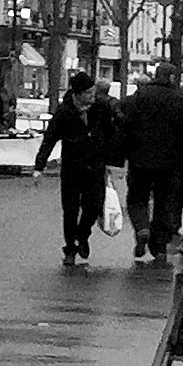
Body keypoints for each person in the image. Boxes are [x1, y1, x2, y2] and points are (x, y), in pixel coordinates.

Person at [35, 68, 115, 266]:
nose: (92, 96)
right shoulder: (64, 112)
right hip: (72, 167)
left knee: (94, 206)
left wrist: (110, 158)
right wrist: (39, 166)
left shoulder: (101, 107)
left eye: (93, 92)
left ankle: (83, 234)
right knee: (70, 210)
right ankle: (70, 248)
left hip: (95, 165)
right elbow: (50, 139)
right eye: (88, 93)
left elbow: (111, 133)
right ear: (77, 94)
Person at [117, 63, 183, 264]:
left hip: (140, 158)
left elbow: (125, 121)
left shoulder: (141, 95)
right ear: (171, 77)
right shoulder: (176, 98)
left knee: (137, 198)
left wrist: (125, 150)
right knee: (164, 202)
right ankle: (159, 246)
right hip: (168, 160)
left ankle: (142, 227)